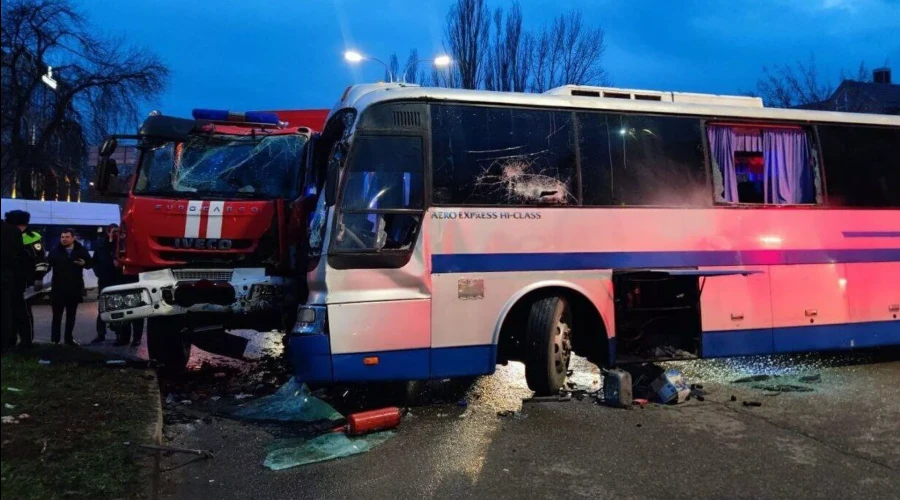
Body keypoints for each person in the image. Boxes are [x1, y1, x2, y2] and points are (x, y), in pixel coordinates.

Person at [4, 210, 48, 349]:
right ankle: (11, 340)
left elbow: (40, 259)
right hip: (11, 279)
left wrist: (38, 278)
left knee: (23, 312)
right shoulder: (9, 236)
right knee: (10, 311)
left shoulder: (32, 237)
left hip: (25, 280)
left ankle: (26, 340)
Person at [47, 228, 92, 345]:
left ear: (73, 238)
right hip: (58, 288)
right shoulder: (55, 250)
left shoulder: (80, 250)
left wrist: (84, 264)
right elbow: (47, 265)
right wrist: (37, 278)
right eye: (62, 237)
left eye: (67, 237)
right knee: (57, 316)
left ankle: (68, 339)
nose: (64, 239)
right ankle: (55, 340)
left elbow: (90, 263)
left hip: (74, 288)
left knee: (71, 316)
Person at [1, 219, 21, 353]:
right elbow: (18, 256)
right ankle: (4, 345)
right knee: (4, 312)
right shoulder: (13, 231)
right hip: (6, 276)